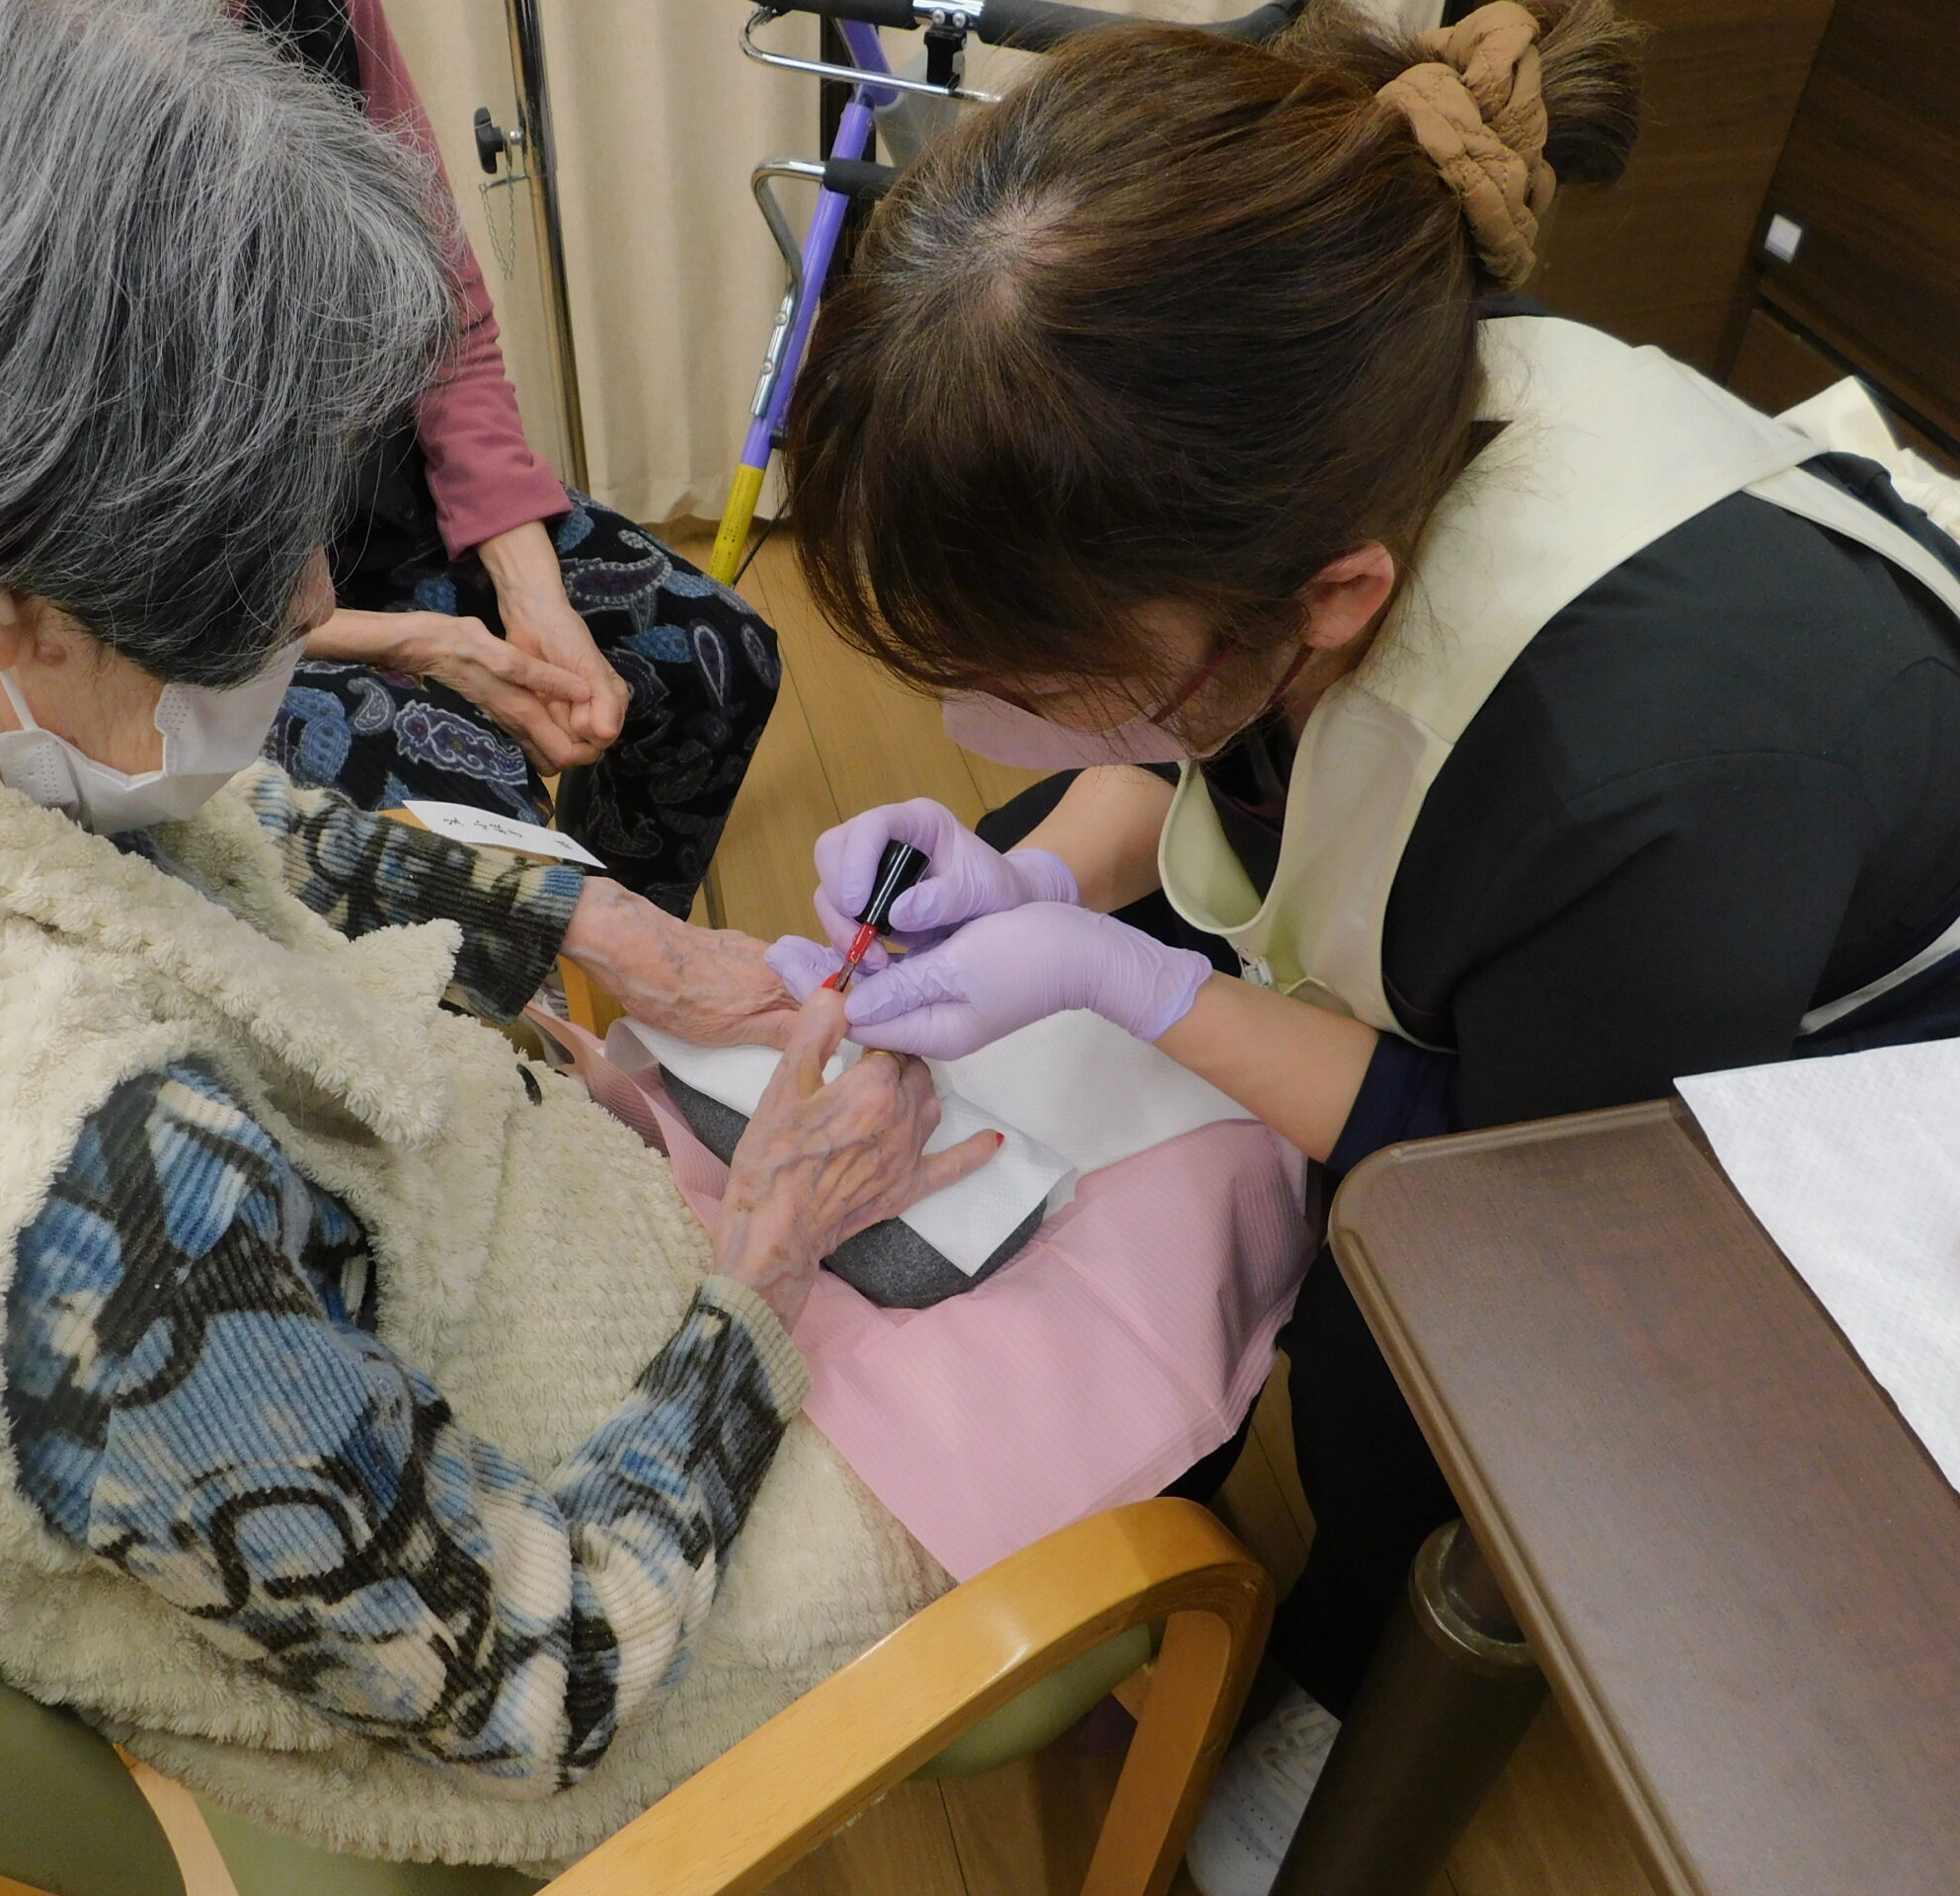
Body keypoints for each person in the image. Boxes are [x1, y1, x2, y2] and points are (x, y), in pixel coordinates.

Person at [0, 0, 995, 1865]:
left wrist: (607, 924)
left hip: (403, 1327)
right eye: (266, 548)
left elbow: (219, 831)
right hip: (557, 1632)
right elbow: (546, 1683)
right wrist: (771, 1256)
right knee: (1127, 1279)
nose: (317, 593)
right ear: (11, 602)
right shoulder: (92, 1207)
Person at [761, 3, 1960, 1889]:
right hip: (1489, 807)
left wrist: (1142, 984)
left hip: (1785, 1024)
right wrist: (1040, 878)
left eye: (1027, 678)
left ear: (1331, 597)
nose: (981, 722)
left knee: (1389, 1354)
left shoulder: (1649, 776)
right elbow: (1208, 743)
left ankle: (1342, 1668)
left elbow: (1507, 1175)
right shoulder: (1300, 443)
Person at [242, 0, 782, 919]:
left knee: (720, 659)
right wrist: (431, 644)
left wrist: (533, 592)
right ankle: (556, 986)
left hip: (387, 498)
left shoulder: (327, 10)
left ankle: (635, 960)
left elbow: (444, 314)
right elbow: (98, 579)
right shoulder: (42, 77)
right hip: (206, 604)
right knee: (485, 813)